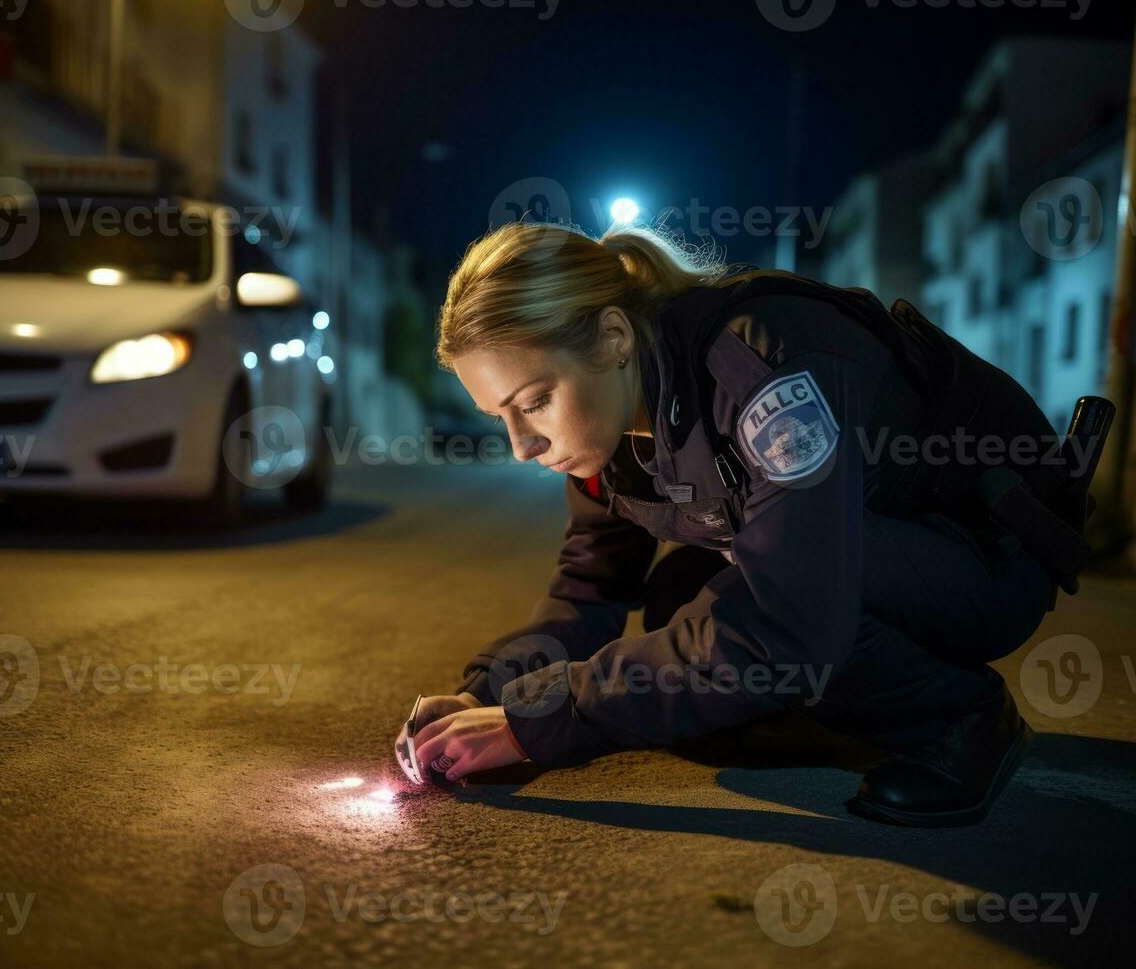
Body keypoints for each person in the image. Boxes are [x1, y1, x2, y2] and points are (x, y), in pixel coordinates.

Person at [395, 220, 1074, 827]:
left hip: (985, 563)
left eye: (536, 402)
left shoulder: (763, 366)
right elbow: (589, 592)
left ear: (611, 338)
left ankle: (961, 719)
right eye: (501, 417)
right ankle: (835, 705)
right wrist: (484, 693)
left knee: (758, 606)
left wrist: (542, 720)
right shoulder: (607, 435)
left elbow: (790, 617)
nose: (522, 445)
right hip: (859, 561)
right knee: (677, 602)